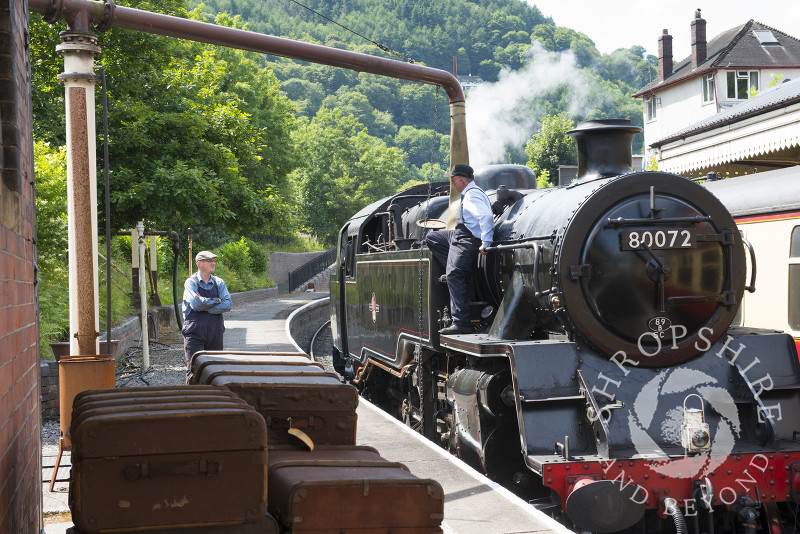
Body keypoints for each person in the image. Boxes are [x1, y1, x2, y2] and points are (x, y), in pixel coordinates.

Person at [426, 164, 494, 335]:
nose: (453, 184)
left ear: (461, 180)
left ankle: (461, 322)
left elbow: (485, 216)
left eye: (454, 180)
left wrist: (486, 241)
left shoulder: (472, 196)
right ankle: (457, 265)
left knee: (454, 275)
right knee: (433, 238)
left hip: (467, 239)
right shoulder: (472, 192)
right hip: (458, 235)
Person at [182, 250, 232, 381]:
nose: (213, 263)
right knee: (194, 370)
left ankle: (212, 398)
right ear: (199, 263)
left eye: (214, 261)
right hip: (194, 332)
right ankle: (192, 399)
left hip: (215, 332)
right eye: (209, 261)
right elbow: (197, 305)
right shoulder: (191, 283)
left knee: (215, 369)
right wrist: (217, 300)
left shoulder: (219, 282)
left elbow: (228, 304)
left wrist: (206, 307)